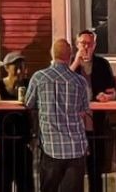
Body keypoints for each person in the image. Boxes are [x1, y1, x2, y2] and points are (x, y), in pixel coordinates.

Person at [26, 39, 90, 192]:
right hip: (76, 147)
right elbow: (83, 111)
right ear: (70, 56)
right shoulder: (80, 81)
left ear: (52, 54)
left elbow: (28, 103)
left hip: (51, 146)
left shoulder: (39, 77)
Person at [70, 30, 116, 192]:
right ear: (77, 45)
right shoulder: (70, 63)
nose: (86, 47)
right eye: (83, 43)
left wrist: (107, 97)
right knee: (74, 172)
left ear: (94, 45)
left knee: (95, 170)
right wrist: (75, 63)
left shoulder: (102, 64)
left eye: (89, 44)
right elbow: (62, 82)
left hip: (96, 124)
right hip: (74, 126)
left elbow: (112, 92)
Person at [0, 52, 33, 192]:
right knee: (3, 180)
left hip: (23, 138)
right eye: (16, 67)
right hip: (4, 138)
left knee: (25, 180)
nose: (19, 71)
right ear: (6, 68)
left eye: (22, 67)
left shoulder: (28, 84)